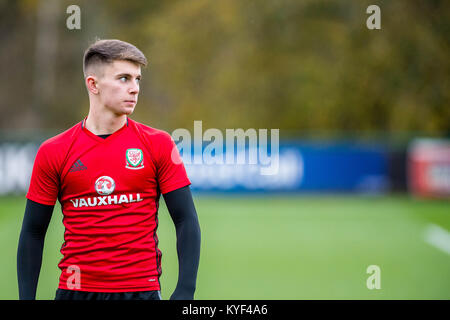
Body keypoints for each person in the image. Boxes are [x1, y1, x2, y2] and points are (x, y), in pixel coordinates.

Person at [17, 39, 201, 300]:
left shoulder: (158, 144)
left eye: (137, 79)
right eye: (124, 78)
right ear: (93, 84)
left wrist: (185, 291)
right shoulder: (54, 151)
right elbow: (33, 232)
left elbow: (186, 219)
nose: (135, 88)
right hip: (75, 291)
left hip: (140, 291)